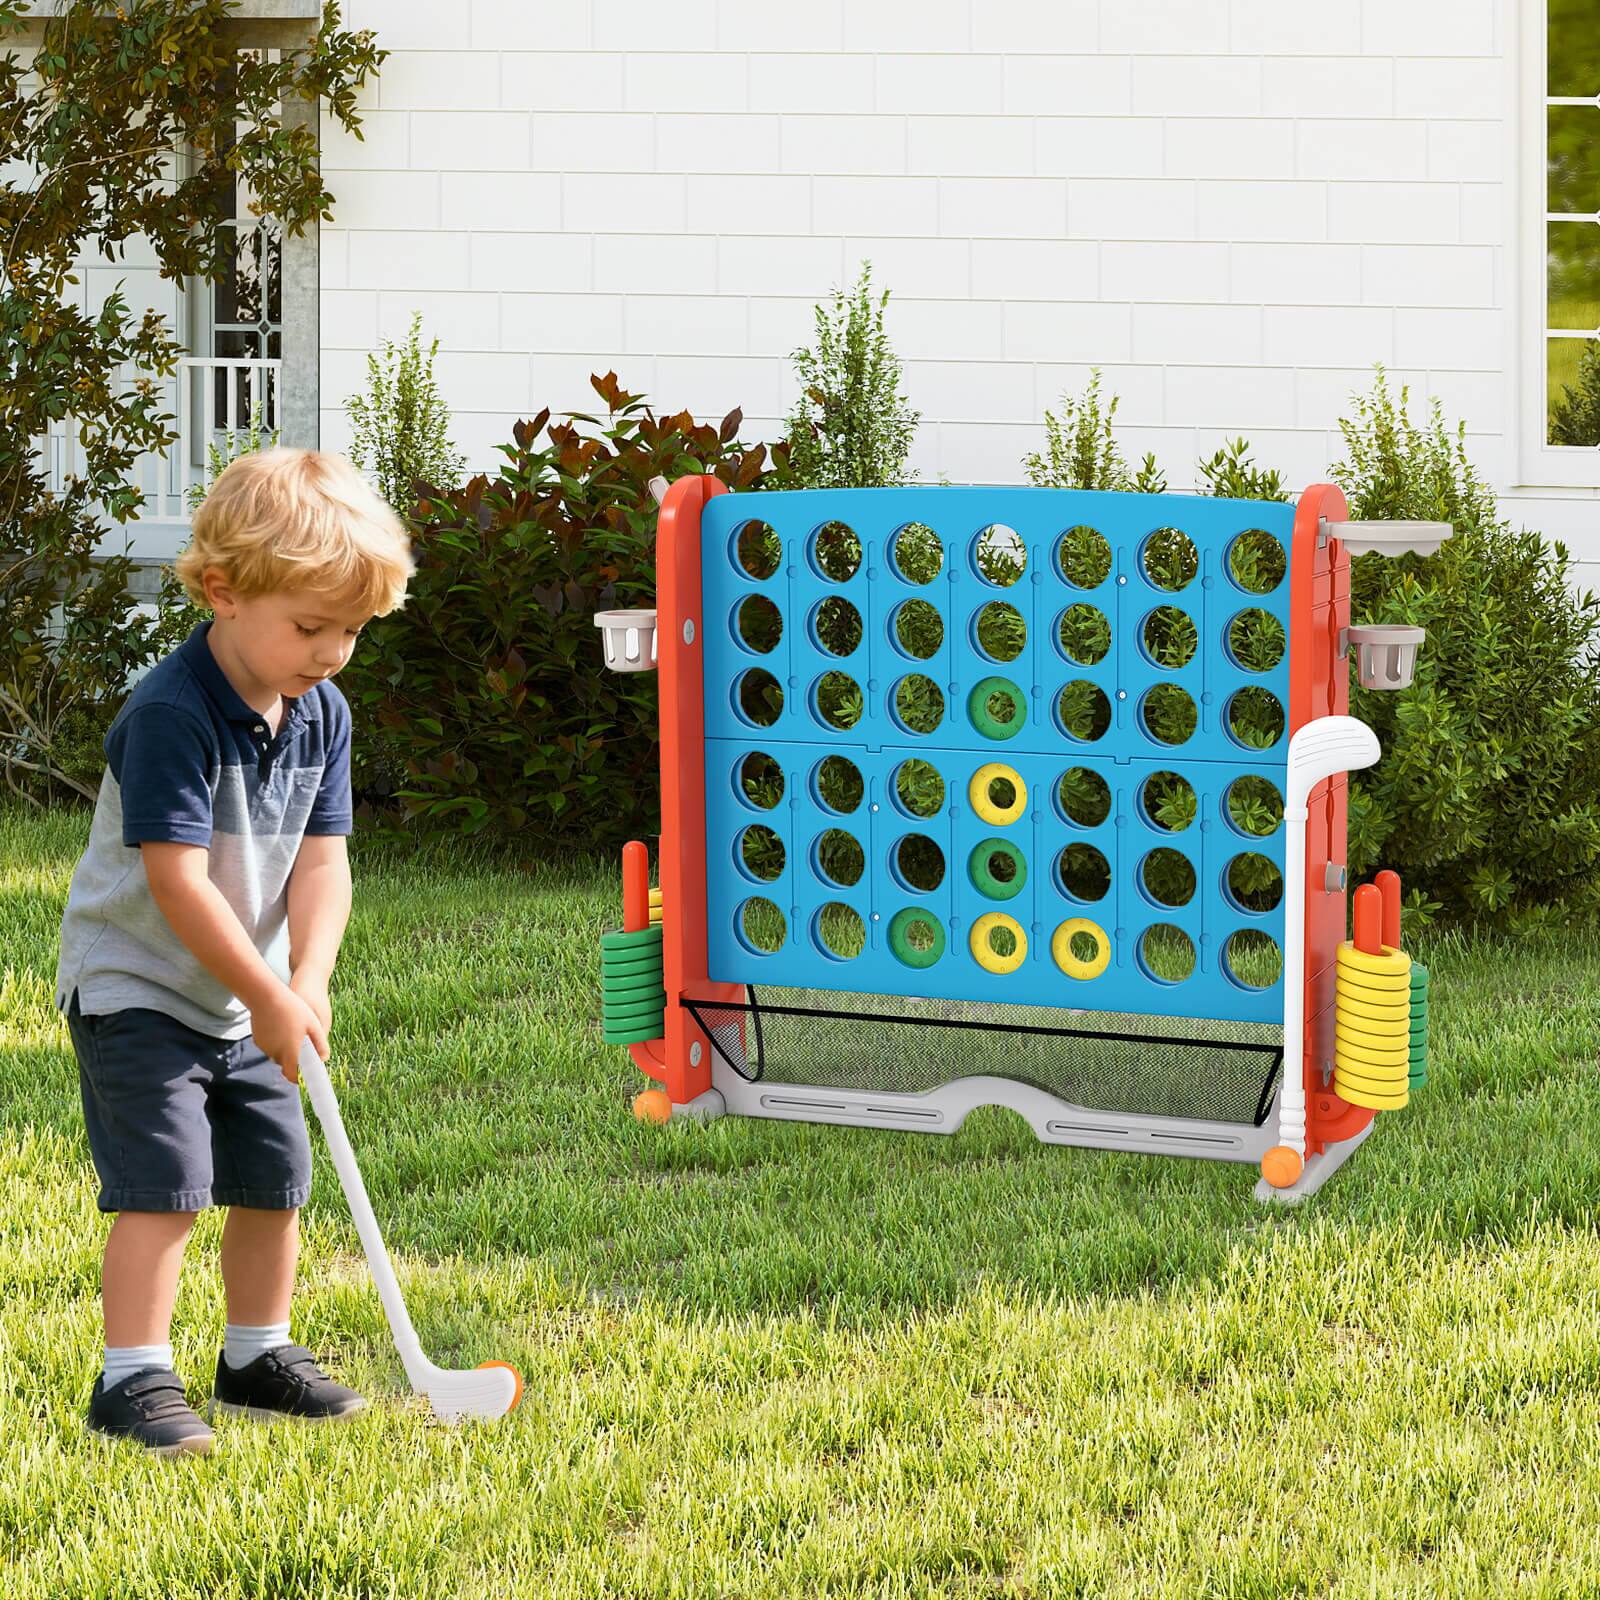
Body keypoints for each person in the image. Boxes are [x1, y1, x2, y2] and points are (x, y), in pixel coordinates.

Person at [54, 447, 416, 1455]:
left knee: (273, 1174)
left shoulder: (322, 713)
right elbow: (178, 881)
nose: (334, 650)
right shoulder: (172, 713)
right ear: (223, 590)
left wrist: (304, 979)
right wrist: (264, 987)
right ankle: (132, 1377)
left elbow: (322, 865)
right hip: (140, 990)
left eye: (351, 629)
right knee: (166, 1185)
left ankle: (256, 1355)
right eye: (311, 627)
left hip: (248, 994)